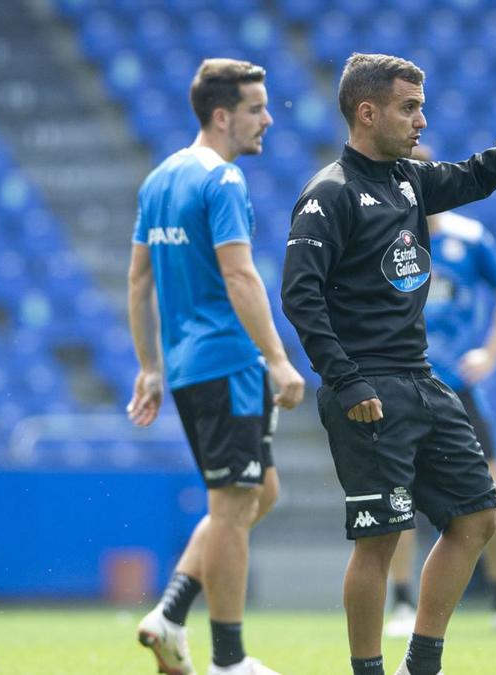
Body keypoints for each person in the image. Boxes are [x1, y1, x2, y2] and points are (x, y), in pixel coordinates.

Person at [281, 53, 496, 675]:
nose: (421, 121)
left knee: (479, 517)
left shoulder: (409, 180)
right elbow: (299, 295)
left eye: (421, 107)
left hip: (424, 380)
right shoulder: (330, 193)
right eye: (409, 108)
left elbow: (480, 177)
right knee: (380, 538)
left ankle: (422, 662)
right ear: (367, 111)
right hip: (367, 386)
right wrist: (345, 379)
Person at [126, 58, 305, 675]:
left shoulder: (160, 178)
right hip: (228, 362)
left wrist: (149, 366)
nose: (268, 120)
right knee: (232, 507)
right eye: (257, 108)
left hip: (184, 365)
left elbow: (138, 280)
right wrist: (278, 360)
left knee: (262, 492)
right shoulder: (223, 181)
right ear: (222, 115)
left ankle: (170, 613)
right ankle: (230, 660)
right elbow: (238, 274)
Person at [382, 148, 496, 641]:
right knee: (398, 495)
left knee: (494, 490)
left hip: (458, 385)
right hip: (404, 381)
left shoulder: (469, 239)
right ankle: (403, 604)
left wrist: (490, 353)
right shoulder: (385, 238)